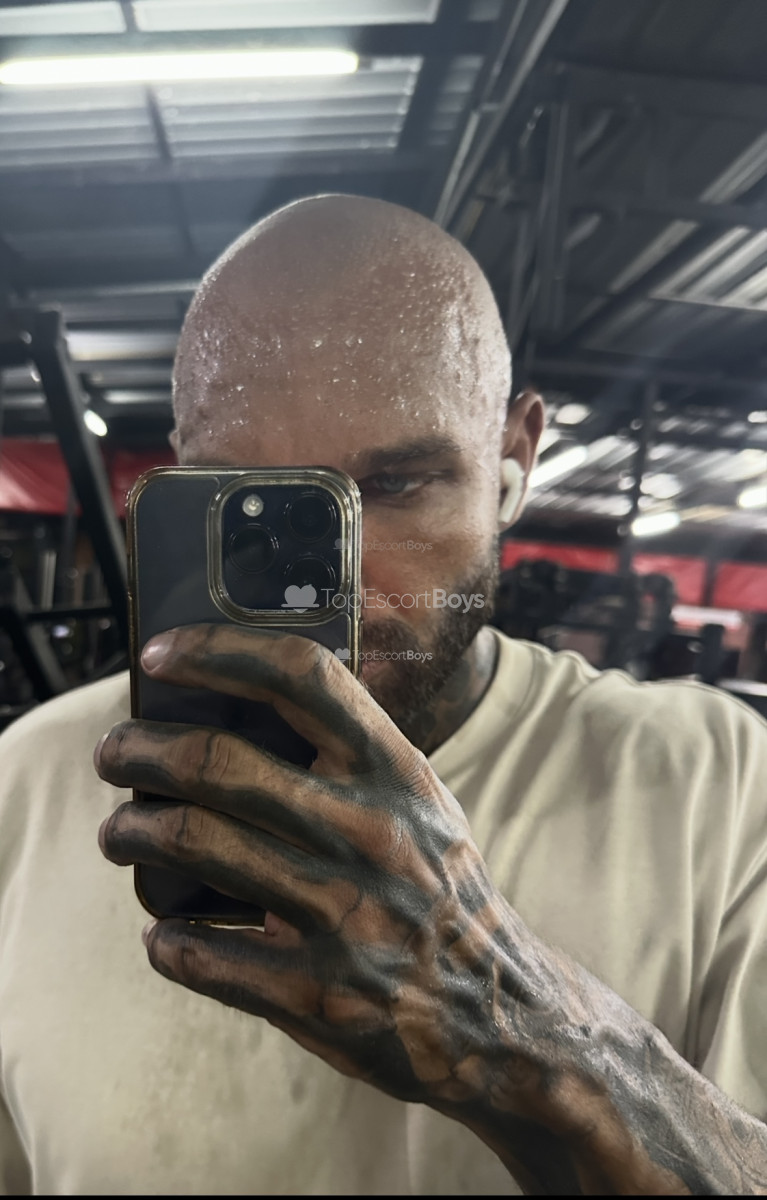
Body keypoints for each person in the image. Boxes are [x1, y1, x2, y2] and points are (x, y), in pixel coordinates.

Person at [1, 194, 767, 1196]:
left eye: (398, 485)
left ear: (514, 458)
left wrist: (531, 1047)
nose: (326, 584)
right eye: (254, 496)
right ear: (183, 465)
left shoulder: (721, 786)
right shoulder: (28, 780)